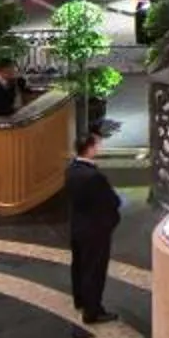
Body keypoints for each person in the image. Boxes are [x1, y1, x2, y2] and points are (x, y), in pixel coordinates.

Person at [65, 126, 123, 326]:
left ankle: (80, 300)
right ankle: (93, 311)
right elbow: (112, 201)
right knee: (94, 269)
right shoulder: (94, 177)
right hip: (95, 230)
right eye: (97, 144)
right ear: (89, 148)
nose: (99, 148)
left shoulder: (71, 170)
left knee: (80, 265)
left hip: (78, 226)